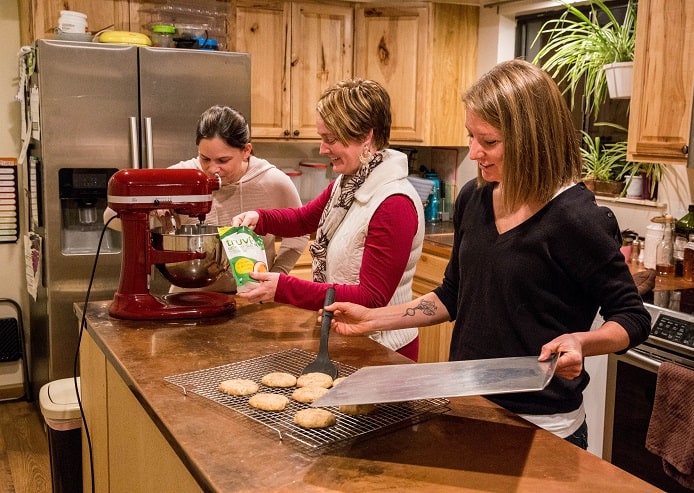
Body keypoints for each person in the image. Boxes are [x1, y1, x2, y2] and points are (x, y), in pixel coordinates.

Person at [322, 60, 652, 450]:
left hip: (543, 427)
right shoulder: (475, 199)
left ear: (532, 138)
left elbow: (632, 317)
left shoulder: (576, 218)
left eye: (489, 141)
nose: (474, 152)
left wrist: (582, 342)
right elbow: (452, 294)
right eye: (470, 136)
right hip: (467, 407)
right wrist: (374, 317)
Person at [232, 78, 425, 361]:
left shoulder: (393, 203)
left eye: (331, 139)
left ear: (366, 137)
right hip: (344, 337)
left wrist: (283, 288)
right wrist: (259, 218)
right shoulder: (348, 184)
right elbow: (302, 219)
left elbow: (371, 297)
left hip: (384, 350)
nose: (322, 149)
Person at [105, 105, 309, 293]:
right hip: (188, 296)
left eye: (223, 160)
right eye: (205, 159)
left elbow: (300, 233)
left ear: (246, 151)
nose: (212, 169)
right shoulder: (182, 176)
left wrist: (278, 275)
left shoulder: (273, 181)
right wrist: (150, 210)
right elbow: (110, 218)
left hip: (252, 298)